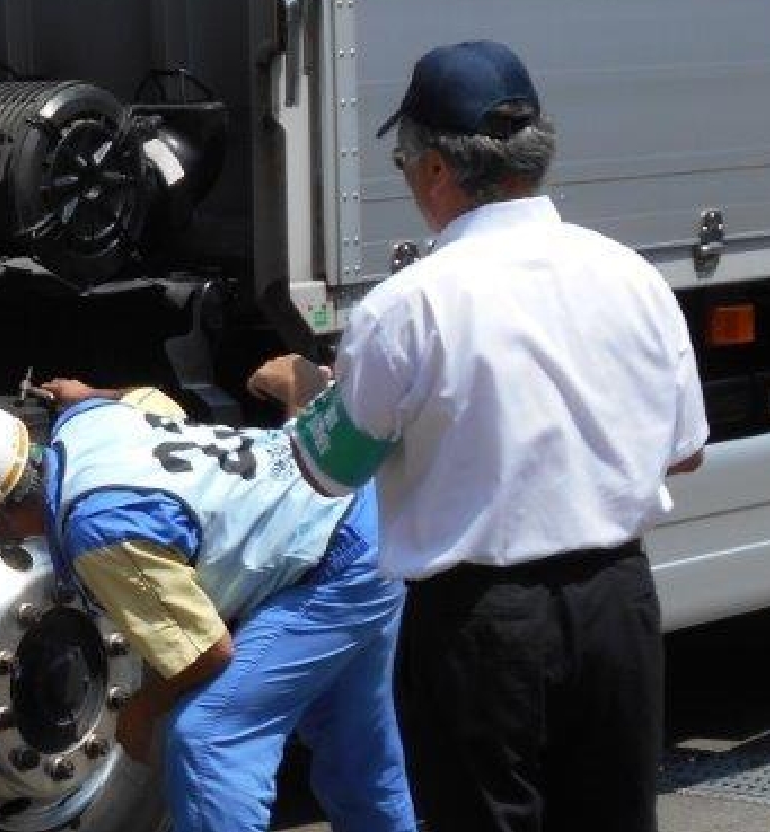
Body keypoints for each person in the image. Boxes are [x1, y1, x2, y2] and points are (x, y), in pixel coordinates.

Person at [250, 40, 709, 832]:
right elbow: (686, 450)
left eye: (403, 164)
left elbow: (330, 470)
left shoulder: (408, 306)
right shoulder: (631, 274)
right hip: (617, 605)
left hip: (481, 622)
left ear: (436, 168)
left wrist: (304, 392)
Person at [0, 381, 416, 832]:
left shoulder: (100, 533)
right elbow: (151, 398)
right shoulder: (86, 422)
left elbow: (208, 653)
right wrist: (89, 393)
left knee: (207, 739)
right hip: (359, 512)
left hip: (336, 567)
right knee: (355, 751)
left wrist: (140, 713)